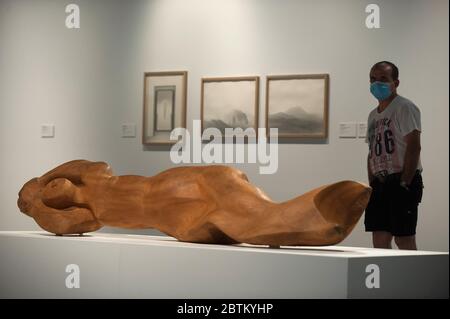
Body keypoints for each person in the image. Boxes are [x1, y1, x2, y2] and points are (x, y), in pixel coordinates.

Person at [365, 61, 424, 250]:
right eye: (373, 79)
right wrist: (372, 183)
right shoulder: (373, 115)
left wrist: (405, 182)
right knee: (380, 239)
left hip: (401, 180)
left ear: (395, 83)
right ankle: (385, 279)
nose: (377, 84)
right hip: (380, 183)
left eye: (383, 79)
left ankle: (412, 279)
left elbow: (414, 146)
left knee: (403, 239)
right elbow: (371, 151)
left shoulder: (404, 107)